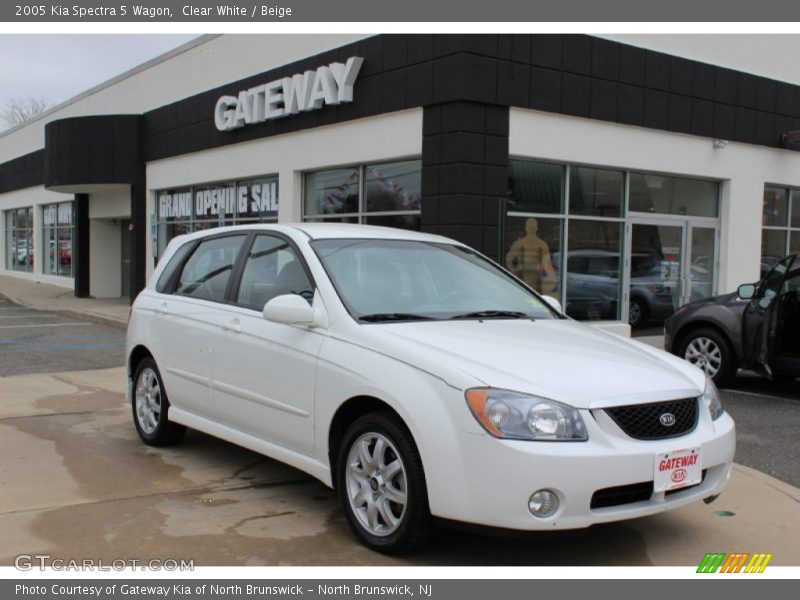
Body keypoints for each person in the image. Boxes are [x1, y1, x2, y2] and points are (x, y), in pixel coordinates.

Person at [506, 217, 557, 296]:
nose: (531, 229)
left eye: (532, 227)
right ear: (526, 228)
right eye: (530, 227)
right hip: (521, 279)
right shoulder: (519, 243)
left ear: (536, 228)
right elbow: (508, 259)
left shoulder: (542, 244)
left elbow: (547, 264)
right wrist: (514, 271)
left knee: (535, 299)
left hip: (536, 280)